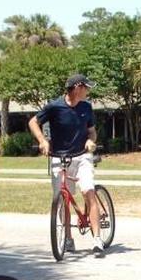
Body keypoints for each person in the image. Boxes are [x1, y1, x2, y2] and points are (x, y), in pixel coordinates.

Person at [28, 73, 102, 255]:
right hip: (59, 157)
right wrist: (42, 140)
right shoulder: (55, 106)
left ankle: (97, 238)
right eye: (86, 87)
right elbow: (33, 122)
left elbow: (92, 132)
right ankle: (68, 238)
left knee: (88, 191)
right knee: (63, 198)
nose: (88, 91)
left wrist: (90, 141)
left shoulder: (86, 107)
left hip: (82, 156)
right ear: (77, 87)